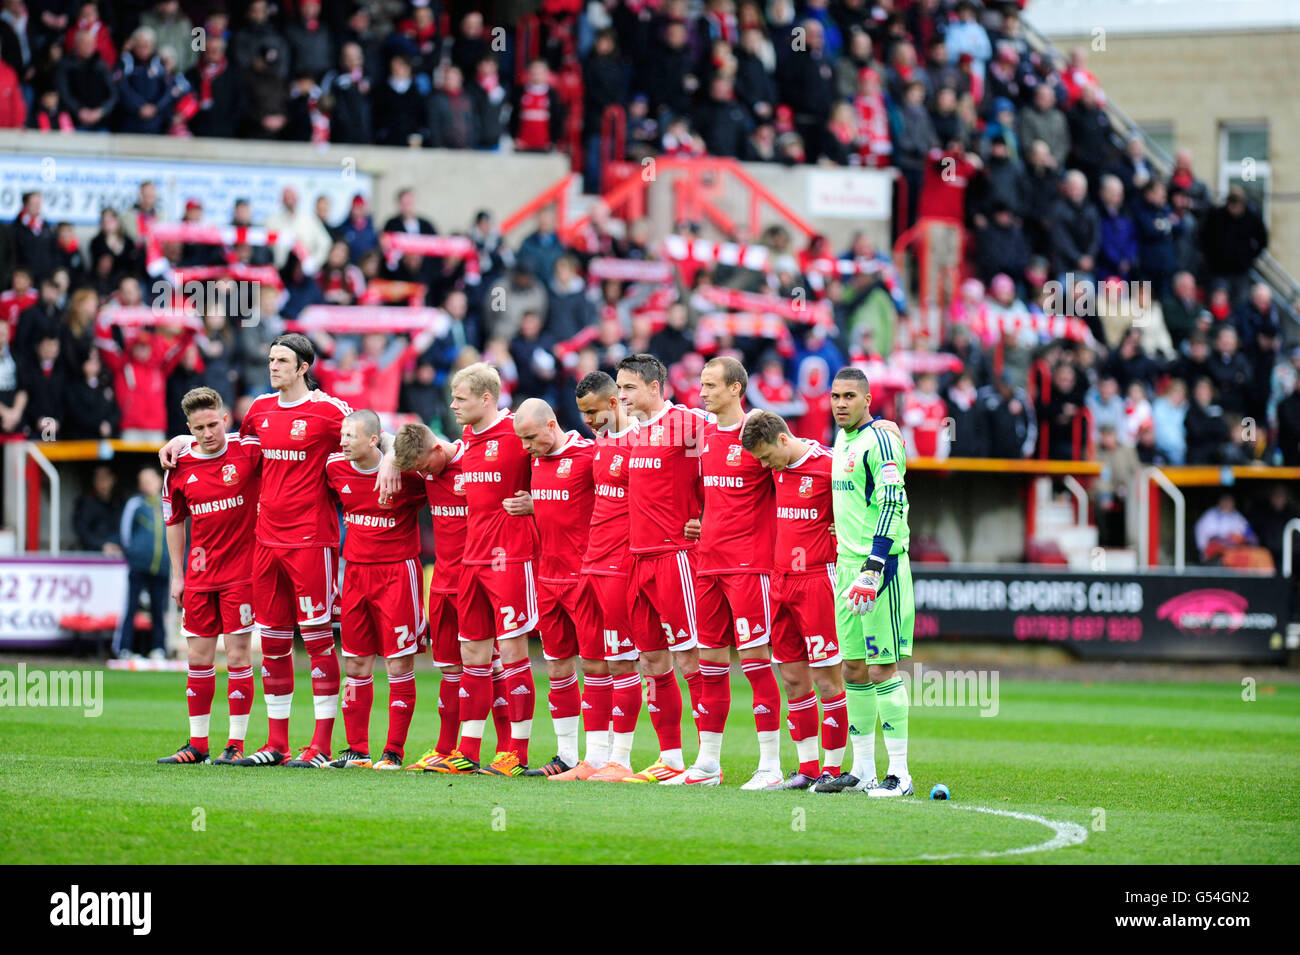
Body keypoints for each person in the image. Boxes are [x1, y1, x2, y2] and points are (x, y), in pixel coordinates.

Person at [158, 334, 393, 768]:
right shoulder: (260, 411)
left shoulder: (328, 410)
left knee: (319, 639)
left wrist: (393, 459)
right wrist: (178, 440)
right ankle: (277, 743)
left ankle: (321, 744)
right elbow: (227, 445)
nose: (273, 366)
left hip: (312, 541)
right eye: (270, 359)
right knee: (275, 642)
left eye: (282, 360)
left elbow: (378, 431)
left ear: (304, 366)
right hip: (265, 543)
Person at [428, 362, 541, 776]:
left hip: (510, 559)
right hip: (469, 562)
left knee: (512, 654)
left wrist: (537, 503)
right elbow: (421, 446)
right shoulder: (469, 437)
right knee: (474, 656)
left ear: (486, 398)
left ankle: (516, 752)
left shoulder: (519, 431)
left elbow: (564, 454)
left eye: (460, 398)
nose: (453, 405)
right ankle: (468, 751)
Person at [678, 357, 784, 790]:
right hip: (707, 564)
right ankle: (706, 764)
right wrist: (699, 521)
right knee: (711, 664)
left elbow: (796, 480)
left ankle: (771, 766)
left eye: (710, 385)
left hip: (749, 567)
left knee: (757, 663)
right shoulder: (701, 436)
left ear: (736, 389)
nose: (702, 392)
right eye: (701, 385)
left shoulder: (759, 435)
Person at [740, 410, 848, 790]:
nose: (764, 465)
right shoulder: (776, 468)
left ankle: (834, 772)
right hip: (780, 581)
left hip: (818, 581)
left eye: (766, 457)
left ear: (783, 440)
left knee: (827, 678)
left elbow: (872, 501)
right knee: (791, 677)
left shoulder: (831, 466)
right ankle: (806, 769)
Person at [615, 352, 706, 784]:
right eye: (619, 388)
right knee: (652, 661)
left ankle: (708, 760)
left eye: (629, 387)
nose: (622, 396)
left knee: (691, 659)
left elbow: (742, 433)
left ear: (654, 388)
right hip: (638, 559)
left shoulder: (687, 424)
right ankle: (670, 758)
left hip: (676, 559)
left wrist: (706, 517)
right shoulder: (630, 433)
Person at [156, 387, 260, 764]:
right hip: (199, 577)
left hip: (241, 575)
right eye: (198, 428)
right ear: (189, 427)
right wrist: (177, 576)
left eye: (213, 424)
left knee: (236, 656)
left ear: (226, 419)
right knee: (198, 658)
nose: (207, 433)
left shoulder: (249, 451)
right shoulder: (178, 466)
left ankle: (235, 745)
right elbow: (174, 523)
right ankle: (197, 744)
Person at [825, 367, 914, 796]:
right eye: (835, 396)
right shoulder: (842, 439)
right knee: (853, 669)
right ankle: (863, 770)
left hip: (878, 567)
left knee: (882, 667)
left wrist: (875, 564)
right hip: (845, 568)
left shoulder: (881, 439)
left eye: (848, 396)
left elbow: (892, 500)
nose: (840, 403)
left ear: (867, 399)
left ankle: (900, 773)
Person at [325, 410, 429, 770]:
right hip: (354, 574)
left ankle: (394, 751)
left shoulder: (410, 476)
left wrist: (393, 458)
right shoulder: (334, 469)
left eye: (350, 435)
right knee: (355, 662)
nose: (342, 442)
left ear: (374, 439)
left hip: (398, 574)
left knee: (399, 663)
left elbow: (443, 461)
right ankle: (357, 750)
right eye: (341, 435)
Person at [506, 398, 603, 777]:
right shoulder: (535, 461)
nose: (526, 446)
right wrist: (534, 506)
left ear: (551, 425)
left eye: (530, 437)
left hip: (584, 578)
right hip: (547, 579)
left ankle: (598, 757)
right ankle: (565, 756)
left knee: (596, 665)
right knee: (558, 666)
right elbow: (559, 505)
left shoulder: (588, 455)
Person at [562, 370, 644, 781]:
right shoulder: (599, 442)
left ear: (614, 403)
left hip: (621, 565)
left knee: (621, 662)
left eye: (593, 411)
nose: (587, 420)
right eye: (582, 413)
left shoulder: (644, 443)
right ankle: (593, 759)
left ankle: (622, 760)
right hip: (589, 564)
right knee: (591, 661)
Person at [390, 423, 476, 773]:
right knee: (449, 671)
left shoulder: (474, 465)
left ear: (438, 449)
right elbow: (380, 436)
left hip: (476, 582)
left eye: (425, 467)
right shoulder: (426, 473)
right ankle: (445, 748)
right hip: (441, 582)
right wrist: (388, 464)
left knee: (492, 666)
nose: (424, 475)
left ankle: (508, 752)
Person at [114, 467, 170, 661]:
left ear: (158, 480)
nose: (147, 484)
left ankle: (159, 648)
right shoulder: (135, 504)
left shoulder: (167, 504)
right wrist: (132, 555)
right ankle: (124, 648)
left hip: (161, 567)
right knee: (131, 607)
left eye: (150, 479)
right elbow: (125, 533)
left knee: (158, 610)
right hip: (138, 565)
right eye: (143, 481)